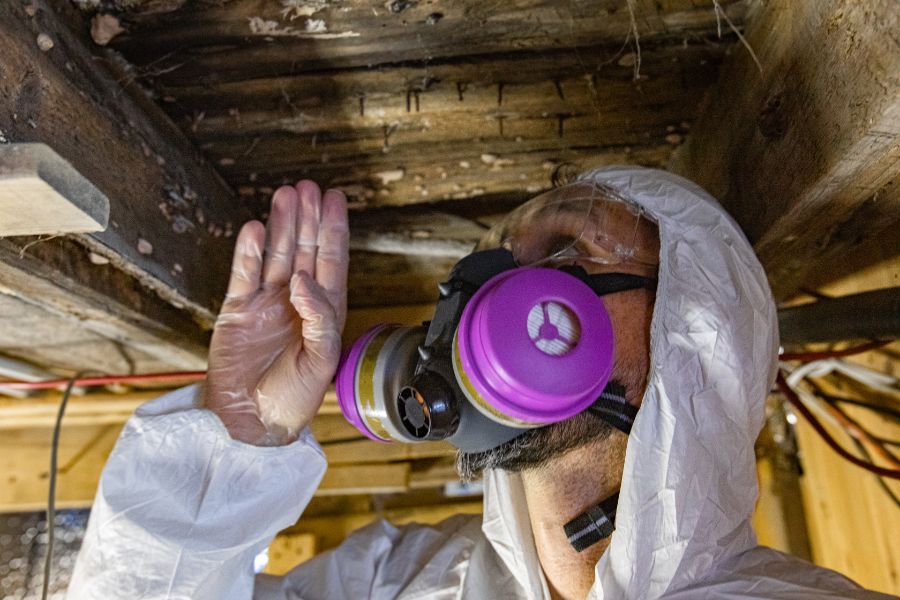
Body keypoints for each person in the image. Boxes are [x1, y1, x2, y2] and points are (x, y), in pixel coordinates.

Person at [67, 167, 890, 599]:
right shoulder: (399, 584)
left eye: (566, 260)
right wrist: (238, 431)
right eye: (489, 267)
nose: (480, 301)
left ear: (694, 336)